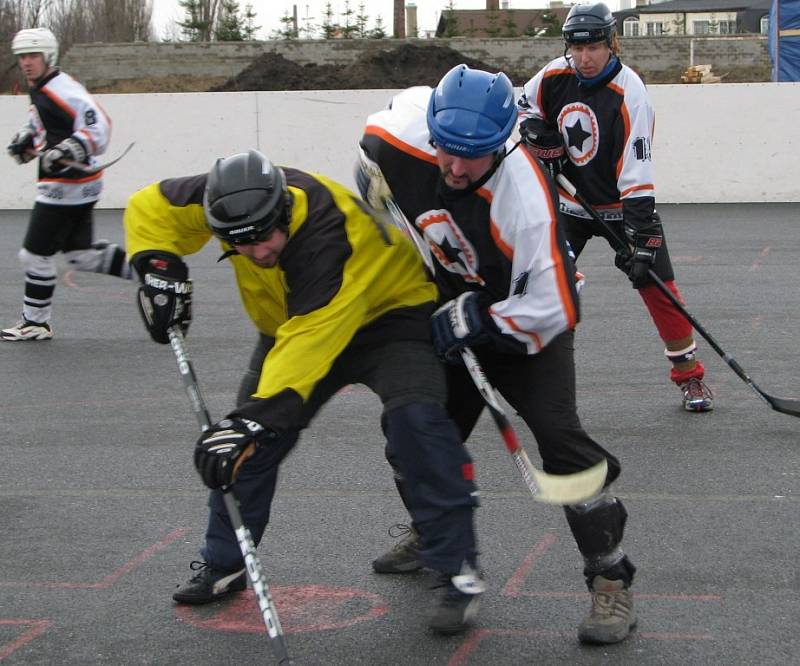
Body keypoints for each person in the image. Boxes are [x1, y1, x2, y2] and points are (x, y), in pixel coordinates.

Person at [123, 149, 484, 635]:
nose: (255, 253)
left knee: (418, 426)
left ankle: (456, 567)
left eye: (264, 239)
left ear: (283, 212)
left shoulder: (325, 236)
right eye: (238, 244)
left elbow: (311, 345)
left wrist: (252, 420)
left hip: (388, 315)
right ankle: (225, 560)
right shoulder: (221, 201)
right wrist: (157, 264)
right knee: (246, 450)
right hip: (293, 323)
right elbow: (149, 205)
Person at [357, 64, 636, 644]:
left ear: (502, 143)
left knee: (562, 448)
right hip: (448, 302)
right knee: (413, 431)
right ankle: (437, 540)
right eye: (447, 150)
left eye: (474, 155)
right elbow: (396, 122)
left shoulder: (524, 199)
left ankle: (610, 579)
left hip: (526, 316)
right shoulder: (392, 138)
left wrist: (480, 317)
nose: (456, 168)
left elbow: (557, 305)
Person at [517, 2, 713, 413]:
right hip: (569, 205)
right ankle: (526, 376)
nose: (585, 58)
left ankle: (690, 377)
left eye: (594, 48)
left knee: (659, 289)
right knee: (541, 282)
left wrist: (641, 239)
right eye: (577, 48)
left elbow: (636, 174)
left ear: (612, 43)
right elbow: (522, 108)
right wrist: (537, 132)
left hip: (621, 208)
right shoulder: (555, 74)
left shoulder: (631, 93)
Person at [2, 28, 131, 342]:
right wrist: (26, 139)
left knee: (34, 255)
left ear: (49, 56)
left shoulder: (63, 88)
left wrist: (69, 148)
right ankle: (152, 271)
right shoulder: (42, 86)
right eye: (22, 57)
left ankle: (36, 322)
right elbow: (42, 121)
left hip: (67, 184)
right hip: (75, 184)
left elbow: (98, 125)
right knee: (80, 255)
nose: (27, 63)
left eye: (33, 56)